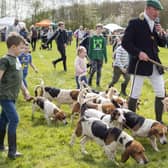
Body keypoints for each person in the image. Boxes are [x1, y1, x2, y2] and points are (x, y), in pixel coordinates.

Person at [122, 0, 166, 123]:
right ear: (148, 8)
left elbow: (162, 43)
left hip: (154, 64)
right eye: (155, 10)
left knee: (161, 92)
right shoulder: (135, 23)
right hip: (139, 64)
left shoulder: (156, 24)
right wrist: (138, 53)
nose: (157, 13)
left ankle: (158, 121)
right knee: (134, 94)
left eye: (158, 11)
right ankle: (131, 121)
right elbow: (125, 42)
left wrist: (160, 33)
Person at [0, 32, 31, 159]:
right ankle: (12, 152)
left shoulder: (16, 60)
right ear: (13, 47)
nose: (23, 50)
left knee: (4, 119)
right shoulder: (5, 60)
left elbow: (19, 78)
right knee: (15, 119)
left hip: (13, 96)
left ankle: (0, 146)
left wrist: (25, 91)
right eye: (21, 47)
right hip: (5, 96)